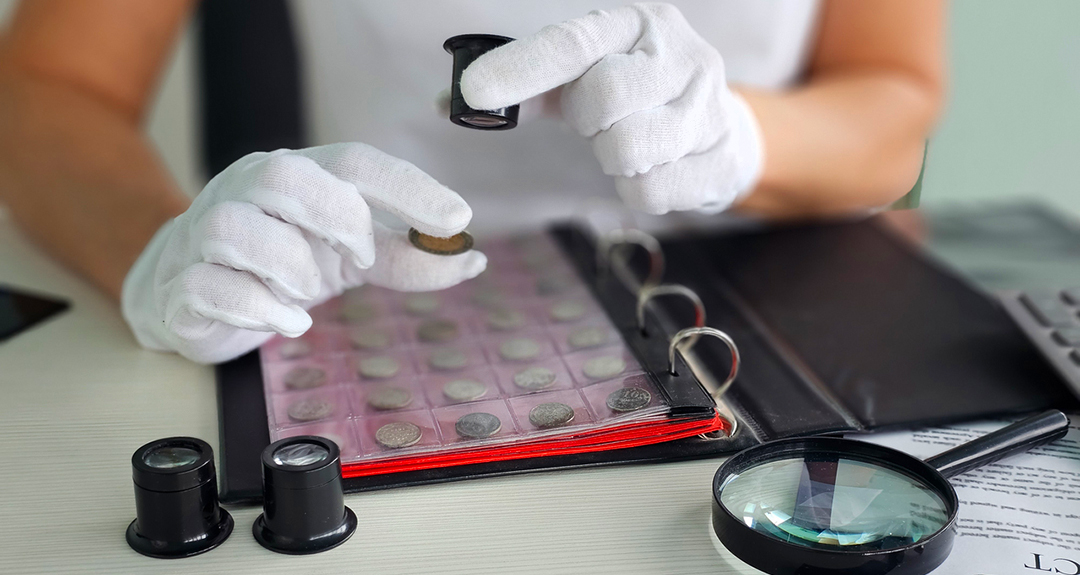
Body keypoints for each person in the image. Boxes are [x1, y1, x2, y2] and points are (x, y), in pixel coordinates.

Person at [0, 0, 944, 363]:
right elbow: (45, 87)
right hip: (379, 311)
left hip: (776, 321)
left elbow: (895, 94)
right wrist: (154, 252)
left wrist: (740, 136)